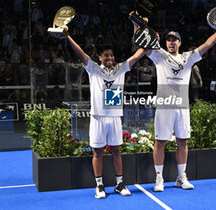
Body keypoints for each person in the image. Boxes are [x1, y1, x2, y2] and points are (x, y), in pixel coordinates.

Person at [132, 19, 216, 192]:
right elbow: (140, 39)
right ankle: (159, 179)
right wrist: (135, 22)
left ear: (179, 42)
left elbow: (209, 43)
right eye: (168, 40)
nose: (171, 42)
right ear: (166, 42)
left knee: (182, 142)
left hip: (182, 107)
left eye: (174, 40)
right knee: (160, 142)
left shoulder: (188, 57)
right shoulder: (159, 55)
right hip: (164, 106)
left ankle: (181, 177)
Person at [50, 28, 146, 199]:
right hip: (98, 118)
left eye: (111, 55)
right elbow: (80, 53)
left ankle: (119, 184)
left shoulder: (121, 69)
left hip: (115, 118)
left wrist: (149, 40)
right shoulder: (93, 69)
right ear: (100, 58)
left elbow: (138, 55)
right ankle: (99, 185)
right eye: (106, 56)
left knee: (116, 151)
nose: (109, 58)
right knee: (98, 152)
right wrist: (68, 36)